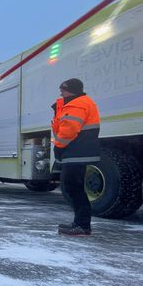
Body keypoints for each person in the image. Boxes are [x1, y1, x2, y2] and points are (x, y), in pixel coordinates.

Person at [52, 78, 100, 236]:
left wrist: (58, 146)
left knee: (73, 189)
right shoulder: (81, 102)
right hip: (77, 152)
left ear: (70, 90)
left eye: (63, 89)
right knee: (73, 188)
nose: (61, 92)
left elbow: (69, 130)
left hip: (75, 153)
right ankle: (80, 223)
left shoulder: (77, 104)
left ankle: (82, 226)